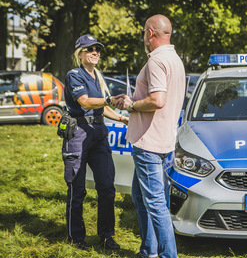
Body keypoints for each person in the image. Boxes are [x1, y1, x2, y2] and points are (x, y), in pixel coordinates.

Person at [113, 14, 186, 258]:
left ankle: (166, 255)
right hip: (164, 140)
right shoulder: (175, 59)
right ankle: (148, 251)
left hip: (149, 143)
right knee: (140, 195)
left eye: (145, 32)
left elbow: (157, 100)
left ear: (151, 33)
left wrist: (131, 105)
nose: (144, 37)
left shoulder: (156, 61)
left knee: (155, 203)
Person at [63, 34, 128, 251]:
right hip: (79, 133)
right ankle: (76, 238)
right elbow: (86, 102)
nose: (95, 52)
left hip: (99, 133)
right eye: (90, 49)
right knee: (77, 188)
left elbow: (102, 107)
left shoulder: (97, 76)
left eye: (97, 49)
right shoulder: (74, 75)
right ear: (80, 54)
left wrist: (123, 118)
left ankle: (106, 236)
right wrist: (109, 99)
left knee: (107, 186)